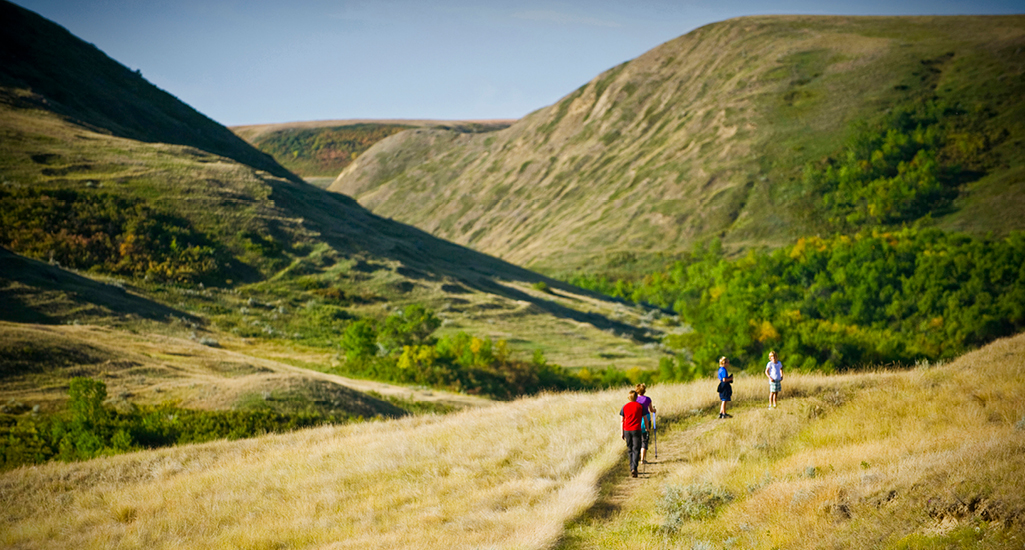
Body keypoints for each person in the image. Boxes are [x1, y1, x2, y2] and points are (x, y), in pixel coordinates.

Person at [620, 390, 644, 477]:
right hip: (636, 430)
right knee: (636, 449)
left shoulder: (624, 407)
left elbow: (622, 421)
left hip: (627, 430)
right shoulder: (640, 406)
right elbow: (644, 417)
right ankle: (634, 467)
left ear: (629, 397)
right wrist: (647, 428)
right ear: (636, 397)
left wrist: (622, 433)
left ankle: (631, 468)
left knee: (630, 449)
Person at [635, 383, 656, 464]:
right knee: (644, 439)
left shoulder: (635, 399)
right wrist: (654, 410)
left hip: (637, 419)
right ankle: (642, 460)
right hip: (646, 419)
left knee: (637, 439)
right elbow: (651, 410)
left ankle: (636, 458)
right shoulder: (648, 399)